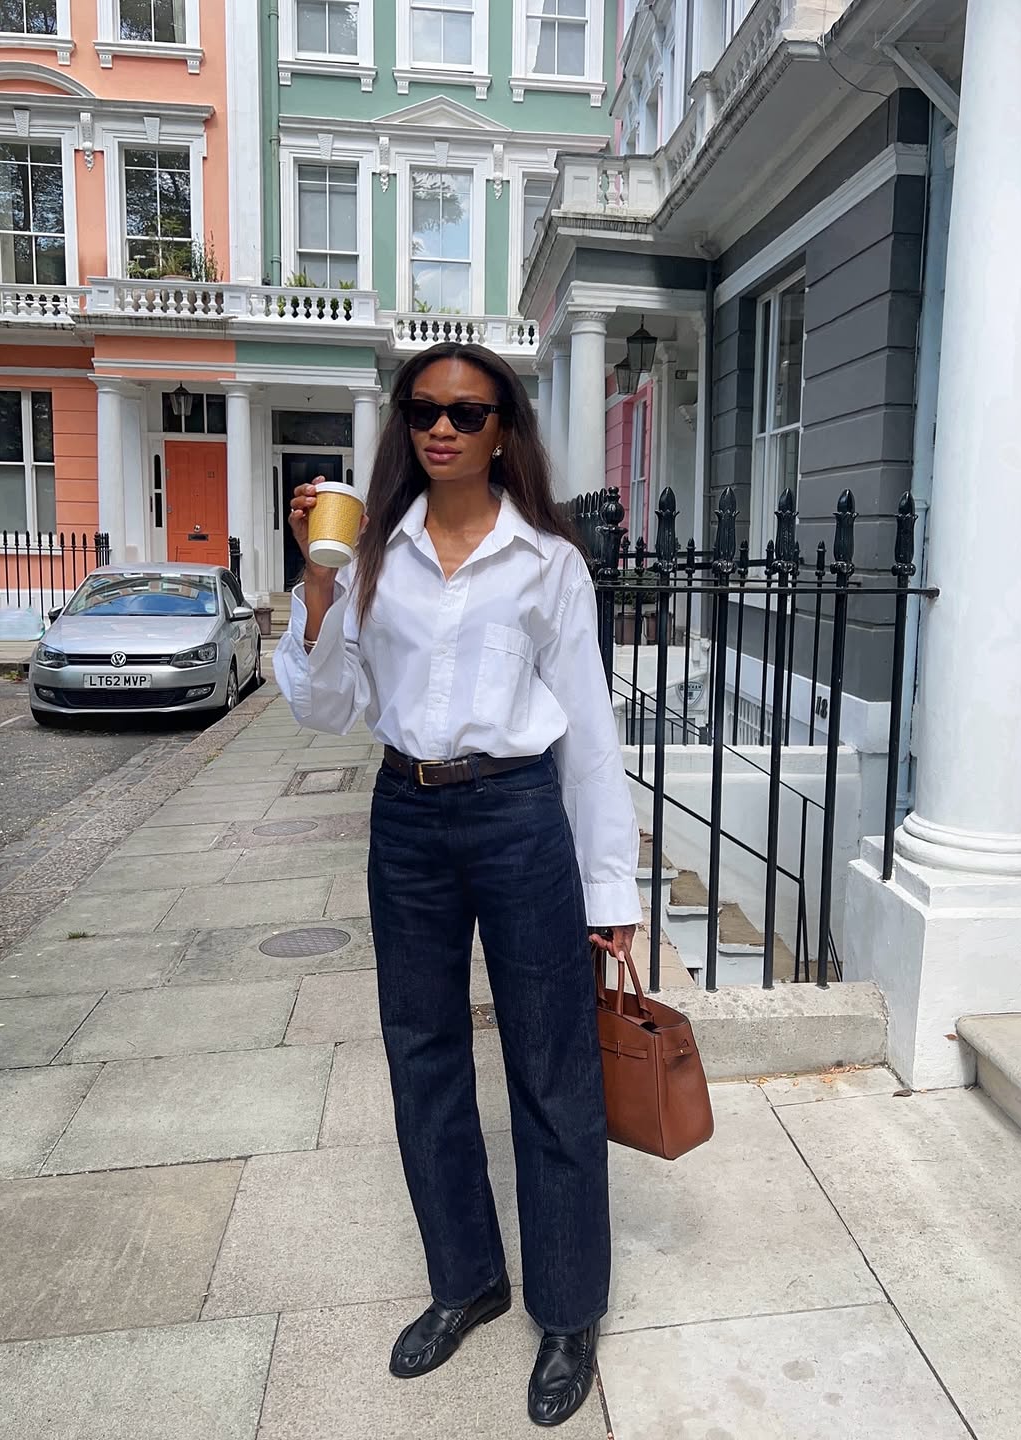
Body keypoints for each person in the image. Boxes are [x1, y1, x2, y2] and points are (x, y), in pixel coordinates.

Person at [274, 342, 641, 1428]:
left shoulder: (548, 565)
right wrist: (319, 582)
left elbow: (590, 731)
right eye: (424, 409)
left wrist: (609, 889)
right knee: (423, 1053)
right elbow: (324, 707)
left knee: (551, 1064)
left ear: (503, 430)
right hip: (410, 817)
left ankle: (568, 1309)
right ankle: (468, 1278)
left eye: (468, 412)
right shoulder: (371, 554)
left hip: (523, 815)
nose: (443, 427)